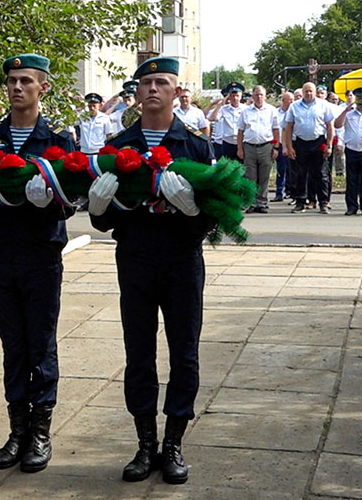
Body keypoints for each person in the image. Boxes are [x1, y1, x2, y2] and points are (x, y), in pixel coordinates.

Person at [89, 56, 213, 486]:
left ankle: (174, 443)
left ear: (178, 91)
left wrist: (193, 209)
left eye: (163, 82)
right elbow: (104, 222)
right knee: (138, 353)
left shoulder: (197, 147)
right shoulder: (118, 146)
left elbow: (214, 217)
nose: (154, 89)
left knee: (185, 353)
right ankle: (145, 444)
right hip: (137, 261)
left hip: (182, 261)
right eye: (147, 83)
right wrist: (98, 207)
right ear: (136, 93)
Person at [0, 53, 75, 473]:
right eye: (11, 81)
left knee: (40, 344)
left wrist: (53, 203)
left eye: (25, 81)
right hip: (2, 252)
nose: (16, 87)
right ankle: (17, 431)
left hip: (41, 253)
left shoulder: (58, 140)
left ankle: (40, 433)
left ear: (42, 87)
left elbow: (70, 202)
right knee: (13, 345)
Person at [283, 82, 335, 213]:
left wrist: (329, 145)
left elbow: (330, 126)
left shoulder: (324, 105)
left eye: (311, 91)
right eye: (306, 91)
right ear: (303, 92)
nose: (308, 93)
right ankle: (300, 201)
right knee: (300, 174)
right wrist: (289, 147)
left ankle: (323, 202)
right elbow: (288, 127)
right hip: (300, 143)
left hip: (318, 142)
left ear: (315, 92)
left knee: (321, 174)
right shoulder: (294, 106)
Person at [237, 85, 279, 213]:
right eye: (256, 95)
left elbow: (276, 129)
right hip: (249, 146)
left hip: (266, 146)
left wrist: (276, 147)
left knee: (264, 176)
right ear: (252, 96)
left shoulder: (272, 110)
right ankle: (251, 203)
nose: (259, 97)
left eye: (261, 94)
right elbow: (240, 131)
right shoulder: (246, 111)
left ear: (265, 96)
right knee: (250, 177)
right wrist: (240, 148)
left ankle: (262, 202)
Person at [333, 88, 362, 215]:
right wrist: (345, 111)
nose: (360, 101)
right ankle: (351, 206)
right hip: (352, 150)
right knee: (352, 180)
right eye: (359, 98)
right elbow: (337, 125)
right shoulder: (349, 113)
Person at [207, 82, 244, 160]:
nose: (235, 98)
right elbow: (213, 118)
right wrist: (220, 105)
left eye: (237, 96)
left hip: (242, 142)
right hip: (228, 143)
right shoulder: (224, 109)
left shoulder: (246, 109)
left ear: (241, 96)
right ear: (229, 97)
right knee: (227, 167)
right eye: (232, 96)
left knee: (241, 167)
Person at [273, 91, 294, 201]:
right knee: (281, 169)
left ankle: (291, 192)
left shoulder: (294, 111)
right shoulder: (276, 112)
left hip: (292, 144)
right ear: (283, 101)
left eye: (292, 99)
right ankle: (279, 192)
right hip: (280, 144)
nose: (291, 102)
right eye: (289, 99)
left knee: (293, 170)